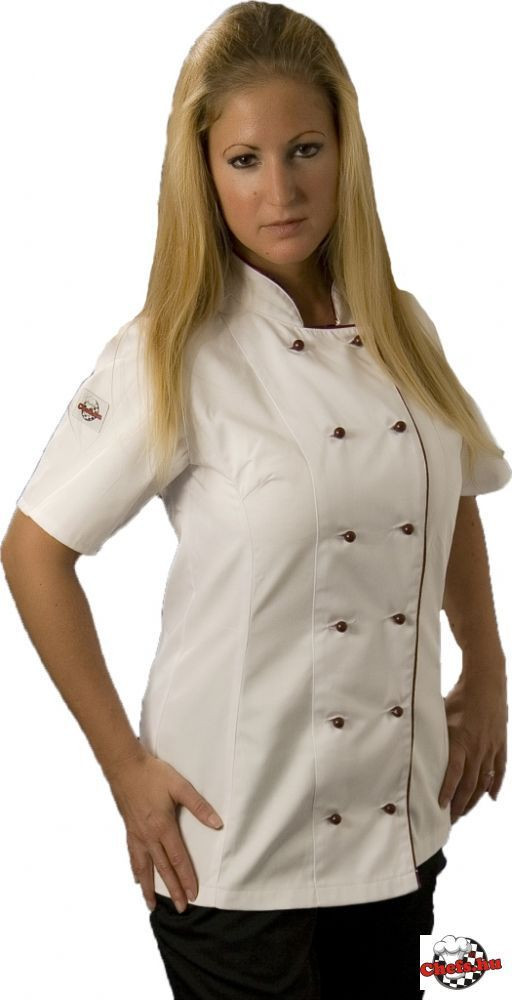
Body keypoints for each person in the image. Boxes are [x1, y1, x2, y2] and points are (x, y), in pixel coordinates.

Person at [2, 3, 510, 997]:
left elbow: (445, 496)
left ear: (345, 150)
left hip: (396, 827)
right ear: (203, 172)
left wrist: (486, 667)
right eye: (244, 160)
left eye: (304, 149)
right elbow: (34, 552)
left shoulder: (402, 328)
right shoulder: (173, 350)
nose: (280, 190)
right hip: (233, 845)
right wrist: (124, 767)